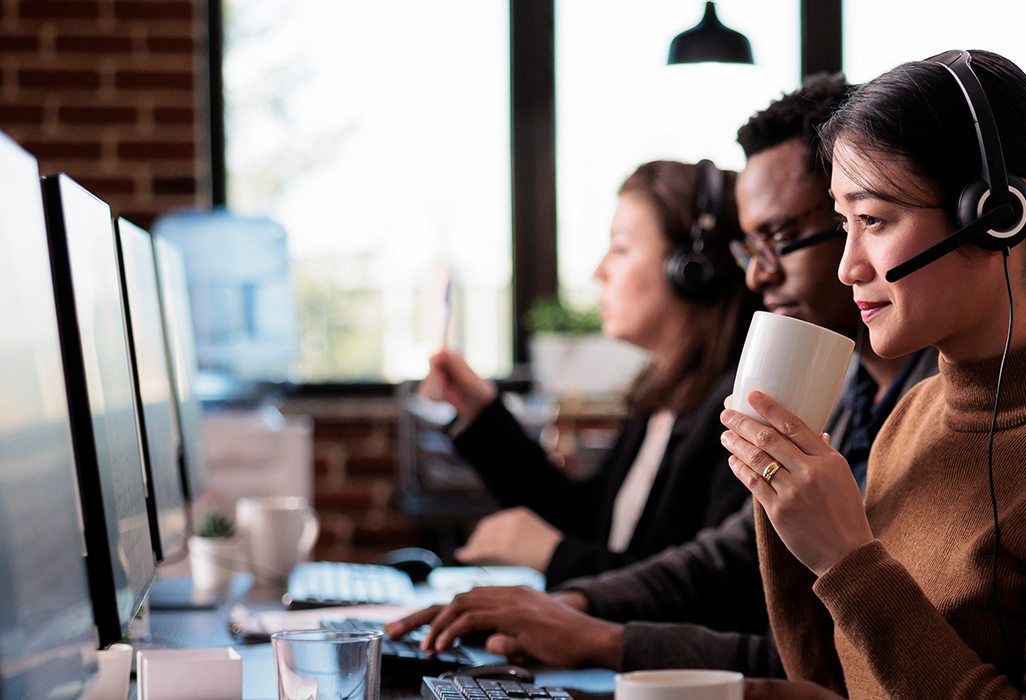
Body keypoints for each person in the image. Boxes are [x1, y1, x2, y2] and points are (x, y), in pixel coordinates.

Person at [386, 75, 941, 679]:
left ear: (689, 270)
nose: (758, 276)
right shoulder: (851, 397)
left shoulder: (867, 404)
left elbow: (798, 641)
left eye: (621, 248)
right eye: (749, 247)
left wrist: (590, 622)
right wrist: (573, 608)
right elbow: (724, 559)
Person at [720, 51, 1026, 699]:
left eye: (873, 221)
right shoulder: (913, 415)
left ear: (998, 215)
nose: (848, 267)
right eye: (842, 225)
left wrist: (847, 561)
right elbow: (838, 687)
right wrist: (778, 493)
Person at [420, 160, 759, 587]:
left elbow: (700, 592)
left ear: (692, 269)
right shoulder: (663, 400)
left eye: (620, 248)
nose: (599, 270)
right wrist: (480, 408)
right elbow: (592, 521)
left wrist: (554, 555)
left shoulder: (736, 412)